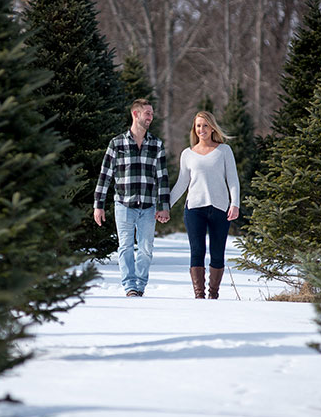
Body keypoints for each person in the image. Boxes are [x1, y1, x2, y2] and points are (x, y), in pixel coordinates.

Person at [94, 98, 171, 297]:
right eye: (148, 114)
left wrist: (164, 206)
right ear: (135, 114)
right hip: (123, 205)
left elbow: (162, 178)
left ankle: (140, 285)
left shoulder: (156, 144)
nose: (150, 118)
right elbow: (105, 175)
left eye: (152, 114)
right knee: (125, 247)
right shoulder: (117, 143)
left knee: (146, 249)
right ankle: (130, 286)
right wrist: (98, 205)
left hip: (148, 207)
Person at [170, 110, 240, 299]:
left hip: (220, 208)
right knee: (197, 252)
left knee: (217, 253)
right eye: (198, 125)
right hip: (194, 209)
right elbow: (181, 184)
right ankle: (199, 295)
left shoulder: (224, 150)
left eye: (205, 125)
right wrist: (165, 205)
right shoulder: (187, 154)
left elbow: (233, 180)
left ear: (212, 127)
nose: (202, 129)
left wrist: (235, 204)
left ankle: (213, 294)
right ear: (195, 128)